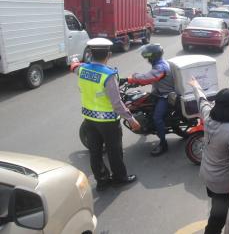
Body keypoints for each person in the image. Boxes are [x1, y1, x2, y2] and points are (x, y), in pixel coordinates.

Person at [70, 38, 139, 191]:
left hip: (89, 119)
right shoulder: (109, 75)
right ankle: (120, 178)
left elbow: (73, 66)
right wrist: (131, 119)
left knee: (95, 152)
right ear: (109, 54)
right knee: (114, 151)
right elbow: (116, 103)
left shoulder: (82, 70)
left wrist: (74, 59)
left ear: (90, 54)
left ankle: (102, 180)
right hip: (108, 122)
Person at [188, 77, 229, 234]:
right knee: (217, 219)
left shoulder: (208, 117)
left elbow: (202, 101)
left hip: (207, 174)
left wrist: (195, 85)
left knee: (216, 206)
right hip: (224, 184)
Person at [127, 44, 175, 157]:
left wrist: (130, 78)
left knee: (157, 118)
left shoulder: (161, 67)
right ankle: (146, 125)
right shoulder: (157, 64)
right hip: (157, 93)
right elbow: (151, 78)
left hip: (165, 96)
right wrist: (134, 83)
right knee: (141, 102)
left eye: (148, 56)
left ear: (154, 56)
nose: (147, 59)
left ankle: (164, 144)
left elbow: (148, 77)